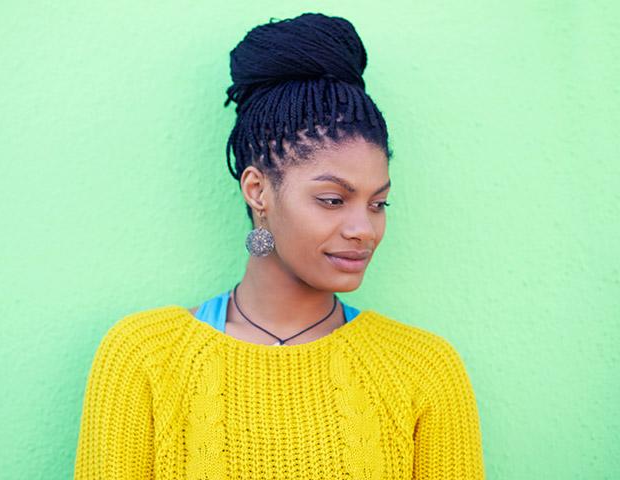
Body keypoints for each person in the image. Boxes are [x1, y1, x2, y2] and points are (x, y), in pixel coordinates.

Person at [73, 12, 485, 479]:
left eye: (379, 203)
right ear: (258, 191)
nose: (364, 229)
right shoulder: (144, 357)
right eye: (333, 199)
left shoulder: (422, 369)